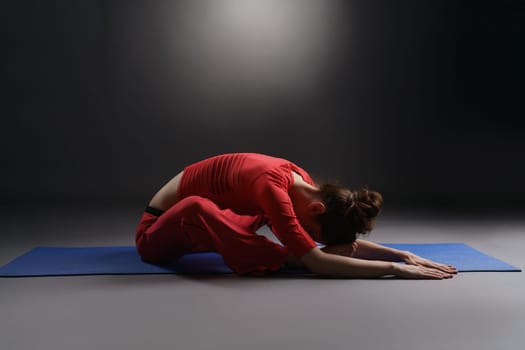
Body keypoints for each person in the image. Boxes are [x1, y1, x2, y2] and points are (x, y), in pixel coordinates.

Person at [135, 153, 457, 279]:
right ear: (318, 209)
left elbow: (337, 248)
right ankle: (286, 259)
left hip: (199, 234)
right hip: (157, 233)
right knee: (197, 206)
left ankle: (285, 256)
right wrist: (393, 270)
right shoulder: (273, 189)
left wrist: (402, 254)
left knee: (270, 228)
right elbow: (317, 262)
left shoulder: (299, 180)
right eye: (314, 233)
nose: (309, 236)